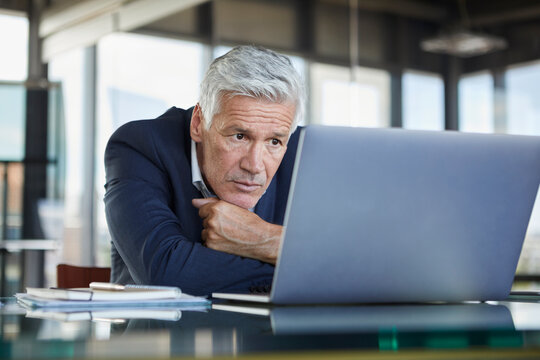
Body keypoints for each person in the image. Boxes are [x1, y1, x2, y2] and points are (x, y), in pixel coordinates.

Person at [104, 45, 305, 296]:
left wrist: (264, 239)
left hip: (266, 332)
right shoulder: (139, 146)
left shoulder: (303, 152)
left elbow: (363, 260)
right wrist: (308, 266)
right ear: (199, 123)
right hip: (157, 332)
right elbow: (165, 273)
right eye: (239, 136)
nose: (254, 166)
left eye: (274, 142)